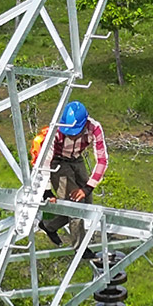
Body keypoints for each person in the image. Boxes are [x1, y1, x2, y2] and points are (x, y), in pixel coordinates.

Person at [41, 97, 109, 244]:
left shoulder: (94, 128)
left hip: (76, 158)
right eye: (69, 133)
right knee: (75, 205)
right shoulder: (55, 131)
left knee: (86, 202)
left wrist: (88, 188)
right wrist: (47, 191)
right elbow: (44, 162)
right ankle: (81, 248)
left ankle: (48, 226)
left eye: (75, 132)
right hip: (58, 161)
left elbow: (102, 160)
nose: (71, 135)